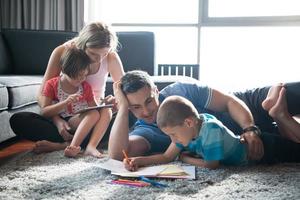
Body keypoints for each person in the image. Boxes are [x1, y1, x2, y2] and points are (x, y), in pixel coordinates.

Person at [108, 70, 300, 164]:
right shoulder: (145, 130)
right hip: (239, 142)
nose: (146, 112)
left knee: (289, 93)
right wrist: (123, 108)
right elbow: (117, 156)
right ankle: (281, 119)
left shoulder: (181, 89)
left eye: (149, 101)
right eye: (136, 107)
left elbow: (229, 102)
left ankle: (279, 114)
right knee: (289, 145)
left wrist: (249, 128)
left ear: (156, 91)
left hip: (246, 108)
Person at [10, 21, 124, 154]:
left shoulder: (111, 57)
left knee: (127, 115)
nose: (99, 60)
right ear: (83, 44)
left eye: (104, 54)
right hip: (64, 117)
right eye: (93, 54)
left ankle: (64, 145)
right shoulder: (62, 52)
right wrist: (57, 120)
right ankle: (82, 142)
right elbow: (42, 96)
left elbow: (125, 92)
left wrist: (116, 101)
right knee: (19, 119)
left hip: (95, 116)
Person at [123, 95, 300, 171]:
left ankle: (281, 114)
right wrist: (139, 161)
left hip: (264, 149)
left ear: (188, 122)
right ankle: (281, 116)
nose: (172, 139)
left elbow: (211, 165)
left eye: (174, 135)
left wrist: (185, 159)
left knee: (296, 150)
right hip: (256, 151)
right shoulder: (186, 131)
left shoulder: (211, 130)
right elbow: (166, 157)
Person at [41, 47, 103, 157]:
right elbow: (44, 112)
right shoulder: (52, 84)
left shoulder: (85, 87)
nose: (82, 79)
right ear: (65, 70)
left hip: (82, 123)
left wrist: (104, 104)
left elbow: (94, 108)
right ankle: (74, 146)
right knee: (21, 118)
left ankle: (66, 145)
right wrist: (65, 103)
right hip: (66, 123)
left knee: (99, 115)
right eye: (78, 76)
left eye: (84, 75)